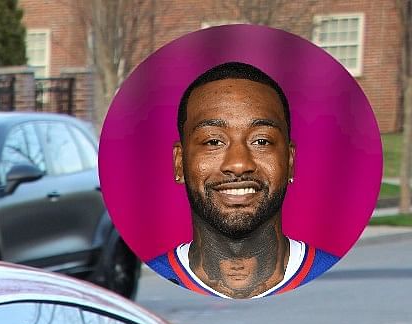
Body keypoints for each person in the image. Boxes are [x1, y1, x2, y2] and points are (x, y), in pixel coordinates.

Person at [145, 60, 339, 298]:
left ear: (289, 161)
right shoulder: (153, 283)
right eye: (213, 141)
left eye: (261, 141)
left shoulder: (332, 278)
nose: (238, 164)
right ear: (179, 163)